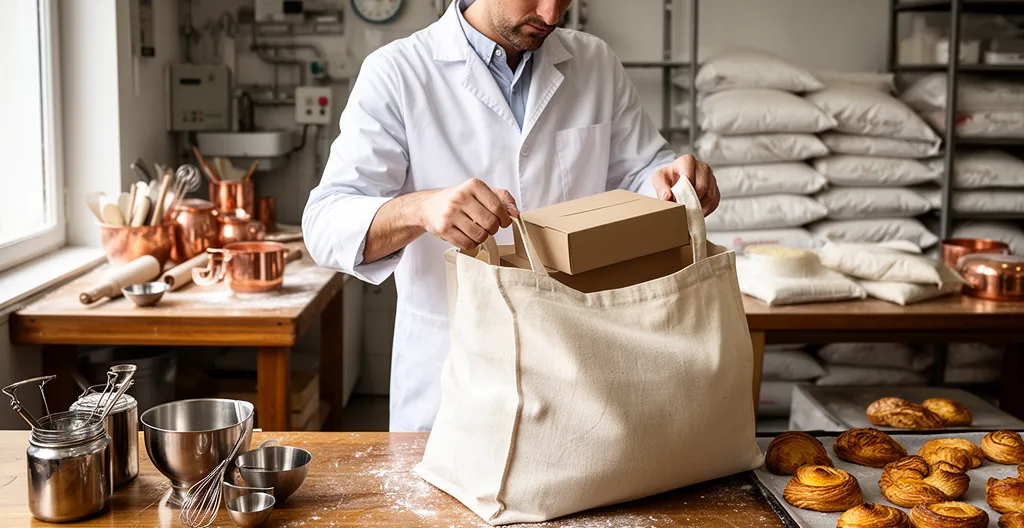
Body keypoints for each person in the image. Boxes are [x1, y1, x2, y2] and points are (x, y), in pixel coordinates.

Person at [302, 0, 720, 432]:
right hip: (453, 382)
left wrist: (670, 180)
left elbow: (639, 172)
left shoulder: (594, 62)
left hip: (580, 374)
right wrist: (420, 209)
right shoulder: (398, 71)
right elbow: (325, 223)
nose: (553, 14)